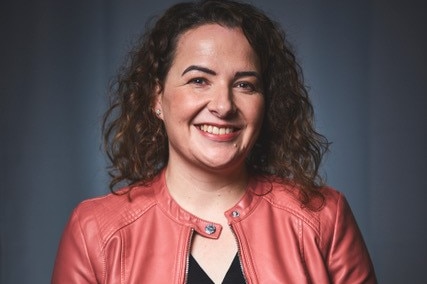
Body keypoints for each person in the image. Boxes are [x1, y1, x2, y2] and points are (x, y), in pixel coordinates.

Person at [52, 0, 377, 283]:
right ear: (156, 98)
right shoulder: (95, 229)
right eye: (198, 80)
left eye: (245, 85)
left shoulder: (324, 218)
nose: (223, 105)